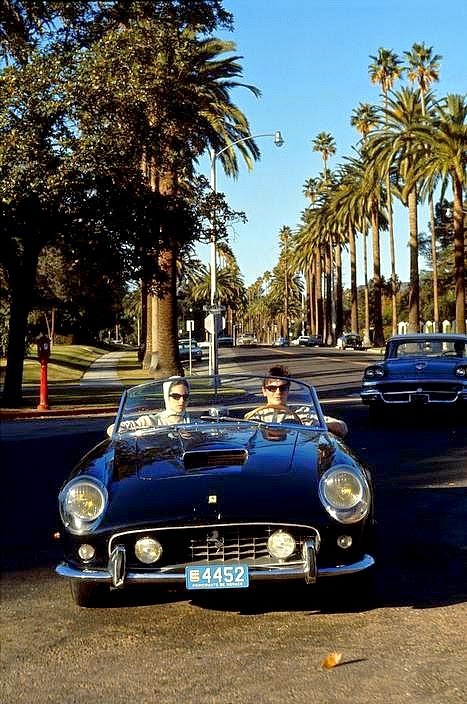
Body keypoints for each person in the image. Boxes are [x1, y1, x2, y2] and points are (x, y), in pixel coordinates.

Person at [244, 365, 348, 439]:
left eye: (283, 388)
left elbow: (342, 428)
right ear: (264, 391)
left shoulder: (303, 412)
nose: (278, 392)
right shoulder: (254, 416)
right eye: (272, 388)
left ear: (288, 389)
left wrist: (313, 426)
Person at [107, 377, 191, 435]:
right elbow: (113, 428)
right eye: (176, 396)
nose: (182, 401)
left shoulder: (194, 423)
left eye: (185, 397)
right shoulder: (152, 421)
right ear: (166, 396)